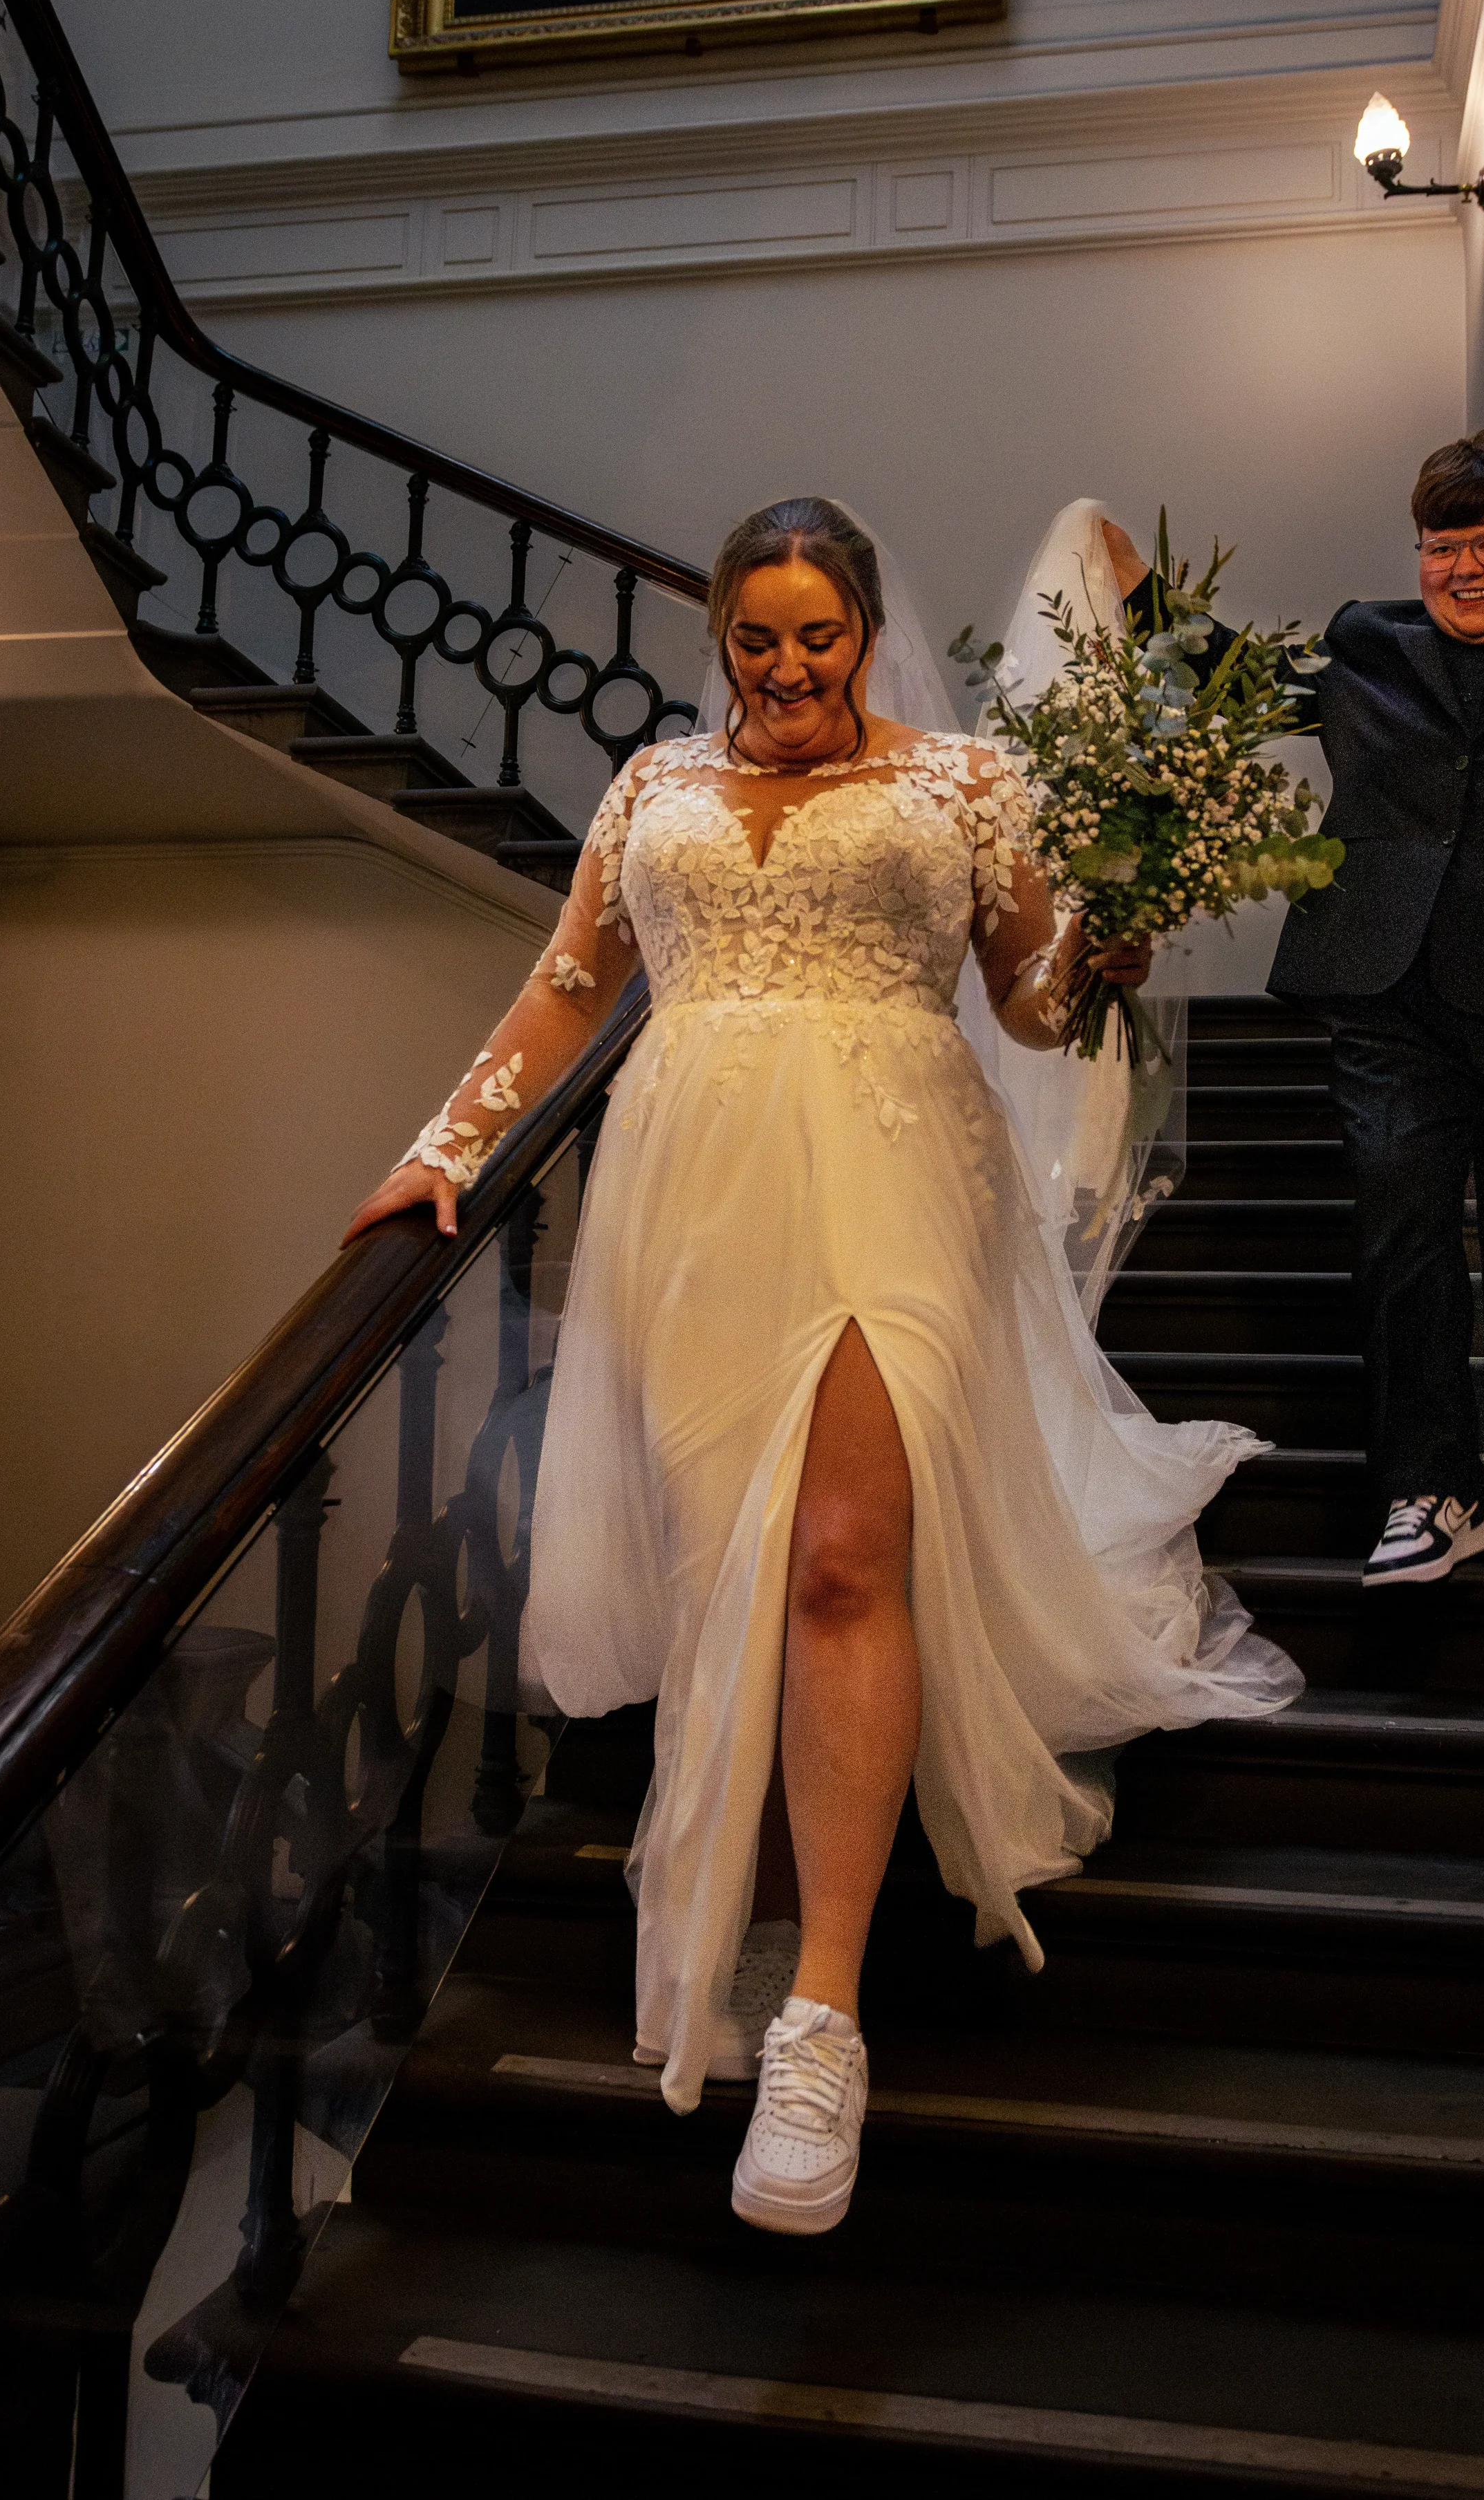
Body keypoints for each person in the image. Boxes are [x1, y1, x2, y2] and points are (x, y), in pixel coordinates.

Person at [345, 496, 1299, 2237]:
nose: (787, 666)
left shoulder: (961, 787)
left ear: (865, 629)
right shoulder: (651, 793)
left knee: (849, 1560)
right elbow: (566, 986)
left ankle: (821, 2016)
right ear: (721, 633)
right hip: (690, 1195)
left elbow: (1022, 1003)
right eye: (756, 637)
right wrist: (448, 1146)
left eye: (820, 635)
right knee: (739, 1567)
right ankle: (753, 1902)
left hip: (894, 1166)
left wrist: (1105, 953)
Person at [1107, 429, 1484, 1589]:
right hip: (1389, 996)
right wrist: (1143, 596)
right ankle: (1428, 1492)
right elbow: (1238, 678)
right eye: (1447, 545)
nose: (1469, 567)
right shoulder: (1366, 643)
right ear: (1423, 550)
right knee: (1403, 1233)